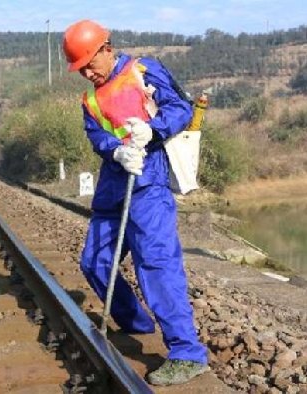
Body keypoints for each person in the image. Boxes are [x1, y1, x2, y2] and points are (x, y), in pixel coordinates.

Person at [62, 19, 209, 386]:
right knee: (94, 262)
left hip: (149, 186)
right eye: (80, 69)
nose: (87, 74)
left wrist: (153, 130)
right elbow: (98, 137)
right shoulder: (90, 100)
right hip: (114, 187)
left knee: (156, 265)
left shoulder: (143, 71)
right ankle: (137, 323)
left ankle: (187, 353)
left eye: (89, 64)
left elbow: (181, 109)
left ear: (105, 49)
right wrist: (116, 152)